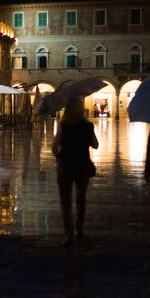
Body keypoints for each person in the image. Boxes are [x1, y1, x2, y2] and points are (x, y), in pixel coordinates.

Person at [51, 97, 99, 245]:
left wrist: (59, 156)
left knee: (65, 201)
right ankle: (79, 230)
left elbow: (54, 146)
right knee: (81, 199)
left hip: (65, 166)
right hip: (82, 166)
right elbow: (95, 145)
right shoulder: (88, 125)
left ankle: (68, 235)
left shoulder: (63, 125)